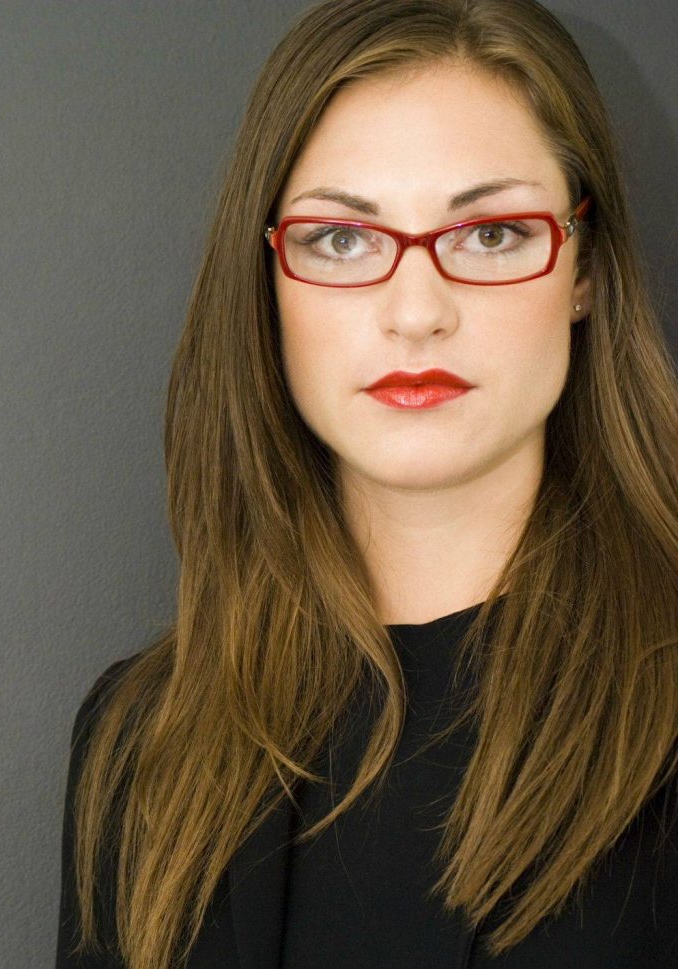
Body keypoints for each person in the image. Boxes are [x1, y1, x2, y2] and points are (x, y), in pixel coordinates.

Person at [56, 1, 678, 966]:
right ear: (269, 278)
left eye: (491, 233)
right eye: (343, 239)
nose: (417, 310)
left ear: (583, 267)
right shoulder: (142, 739)